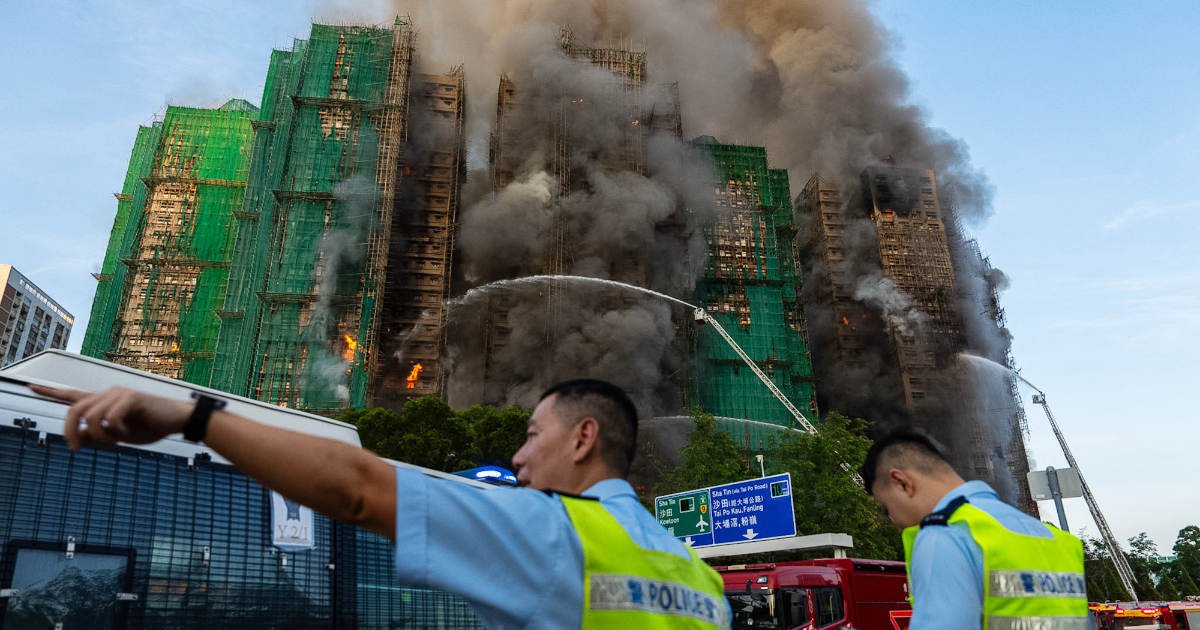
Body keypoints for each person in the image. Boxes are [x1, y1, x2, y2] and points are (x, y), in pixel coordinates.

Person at [30, 378, 729, 629]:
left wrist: (193, 419)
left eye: (530, 434)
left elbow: (359, 489)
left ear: (584, 438)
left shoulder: (552, 533)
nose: (518, 457)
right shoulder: (703, 580)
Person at [862, 429, 1088, 630]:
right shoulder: (1059, 541)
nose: (893, 520)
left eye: (885, 509)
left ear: (901, 482)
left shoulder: (946, 533)